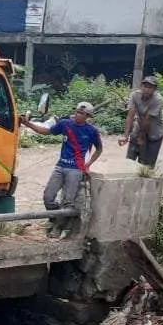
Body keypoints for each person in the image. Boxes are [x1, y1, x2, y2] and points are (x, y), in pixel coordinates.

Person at [21, 101, 103, 237]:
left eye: (82, 113)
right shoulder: (65, 124)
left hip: (76, 169)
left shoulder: (92, 131)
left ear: (88, 116)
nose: (78, 115)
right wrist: (28, 124)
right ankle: (55, 219)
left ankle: (58, 227)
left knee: (68, 202)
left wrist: (88, 164)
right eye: (77, 112)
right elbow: (46, 131)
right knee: (48, 197)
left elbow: (99, 149)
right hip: (60, 166)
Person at [119, 74, 163, 175]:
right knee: (129, 161)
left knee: (146, 167)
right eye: (145, 86)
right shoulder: (135, 95)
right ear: (141, 86)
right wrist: (125, 135)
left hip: (154, 133)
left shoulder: (157, 99)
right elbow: (130, 116)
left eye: (150, 87)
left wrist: (141, 138)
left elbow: (148, 120)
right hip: (138, 128)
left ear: (155, 89)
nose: (147, 89)